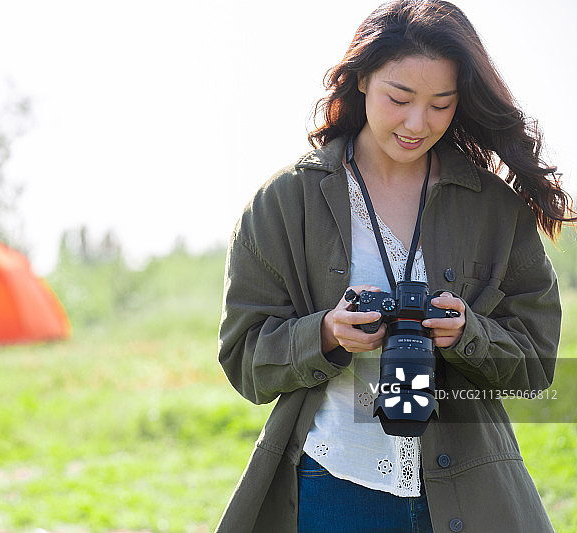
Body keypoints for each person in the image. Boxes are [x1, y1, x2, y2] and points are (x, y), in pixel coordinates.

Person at [215, 1, 573, 532]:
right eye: (399, 98)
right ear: (361, 79)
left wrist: (467, 334)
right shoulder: (285, 202)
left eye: (440, 104)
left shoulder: (493, 206)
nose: (416, 123)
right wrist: (327, 334)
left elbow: (537, 362)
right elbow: (244, 357)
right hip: (332, 482)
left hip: (469, 492)